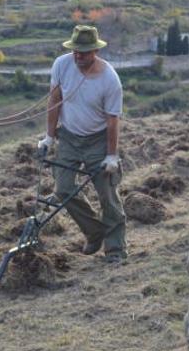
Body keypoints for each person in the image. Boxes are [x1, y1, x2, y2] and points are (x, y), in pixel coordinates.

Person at [39, 25, 127, 264]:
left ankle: (115, 249)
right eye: (76, 51)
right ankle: (94, 231)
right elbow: (55, 100)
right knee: (63, 189)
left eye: (84, 52)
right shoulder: (61, 64)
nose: (79, 56)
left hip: (98, 138)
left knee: (107, 195)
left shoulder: (110, 80)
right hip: (68, 136)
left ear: (95, 52)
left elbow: (112, 121)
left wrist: (111, 155)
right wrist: (49, 136)